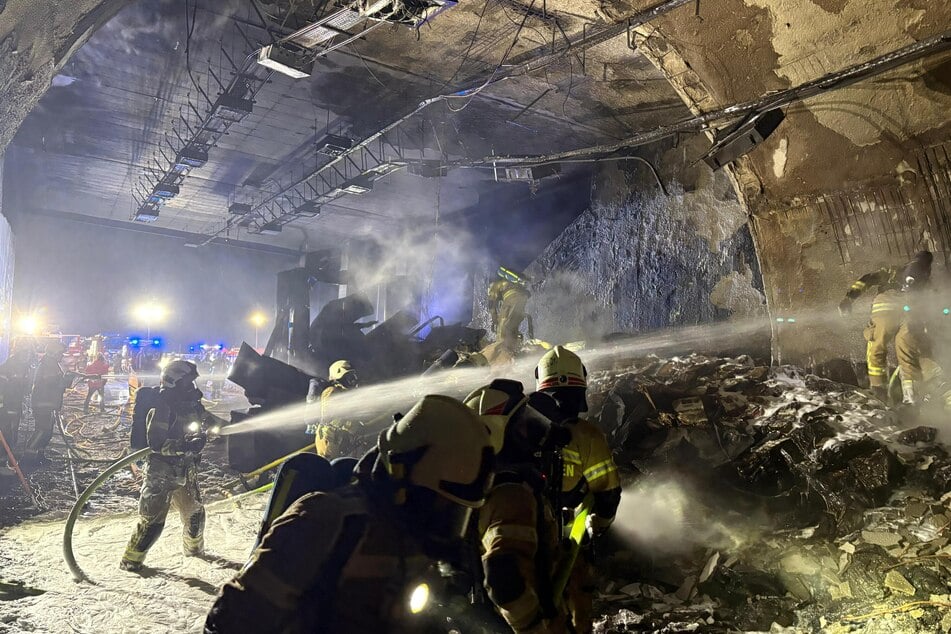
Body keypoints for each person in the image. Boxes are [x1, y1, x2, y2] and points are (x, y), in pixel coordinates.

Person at [204, 394, 496, 633]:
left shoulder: (418, 541)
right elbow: (234, 618)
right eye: (441, 505)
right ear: (401, 476)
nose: (446, 521)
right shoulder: (327, 520)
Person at [464, 380, 569, 633]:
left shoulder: (492, 485)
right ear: (496, 434)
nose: (534, 432)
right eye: (524, 426)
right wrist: (534, 627)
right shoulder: (510, 494)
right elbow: (503, 576)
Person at [535, 346, 621, 634]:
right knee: (575, 612)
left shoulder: (516, 428)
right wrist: (599, 527)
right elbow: (608, 494)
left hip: (516, 538)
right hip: (566, 547)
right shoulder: (588, 436)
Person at [120, 360, 225, 572]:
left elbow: (209, 420)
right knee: (152, 523)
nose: (191, 386)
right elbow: (157, 444)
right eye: (187, 382)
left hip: (186, 470)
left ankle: (194, 552)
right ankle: (131, 561)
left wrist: (230, 425)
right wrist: (185, 445)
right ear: (174, 382)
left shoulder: (191, 404)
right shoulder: (163, 406)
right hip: (162, 473)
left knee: (195, 514)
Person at [839, 251, 933, 400]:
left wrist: (849, 299)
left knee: (877, 346)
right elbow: (931, 305)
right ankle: (911, 398)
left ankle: (878, 392)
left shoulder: (894, 271)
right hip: (910, 315)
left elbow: (867, 279)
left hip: (886, 309)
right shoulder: (925, 282)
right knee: (907, 353)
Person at [22, 341, 81, 465]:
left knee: (47, 432)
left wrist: (67, 379)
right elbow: (52, 384)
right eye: (60, 353)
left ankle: (39, 455)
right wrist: (67, 379)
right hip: (43, 403)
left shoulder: (51, 363)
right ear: (54, 353)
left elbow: (56, 383)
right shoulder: (49, 364)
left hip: (48, 403)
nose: (61, 356)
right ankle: (28, 458)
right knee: (42, 430)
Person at [314, 359, 360, 459]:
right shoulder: (331, 391)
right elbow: (328, 416)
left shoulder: (344, 393)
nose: (353, 380)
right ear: (340, 377)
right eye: (350, 377)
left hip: (338, 439)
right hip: (328, 439)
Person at [488, 267, 532, 353]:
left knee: (502, 328)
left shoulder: (494, 284)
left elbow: (491, 304)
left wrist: (494, 320)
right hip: (522, 299)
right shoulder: (510, 281)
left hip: (511, 299)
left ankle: (501, 354)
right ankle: (514, 350)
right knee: (512, 327)